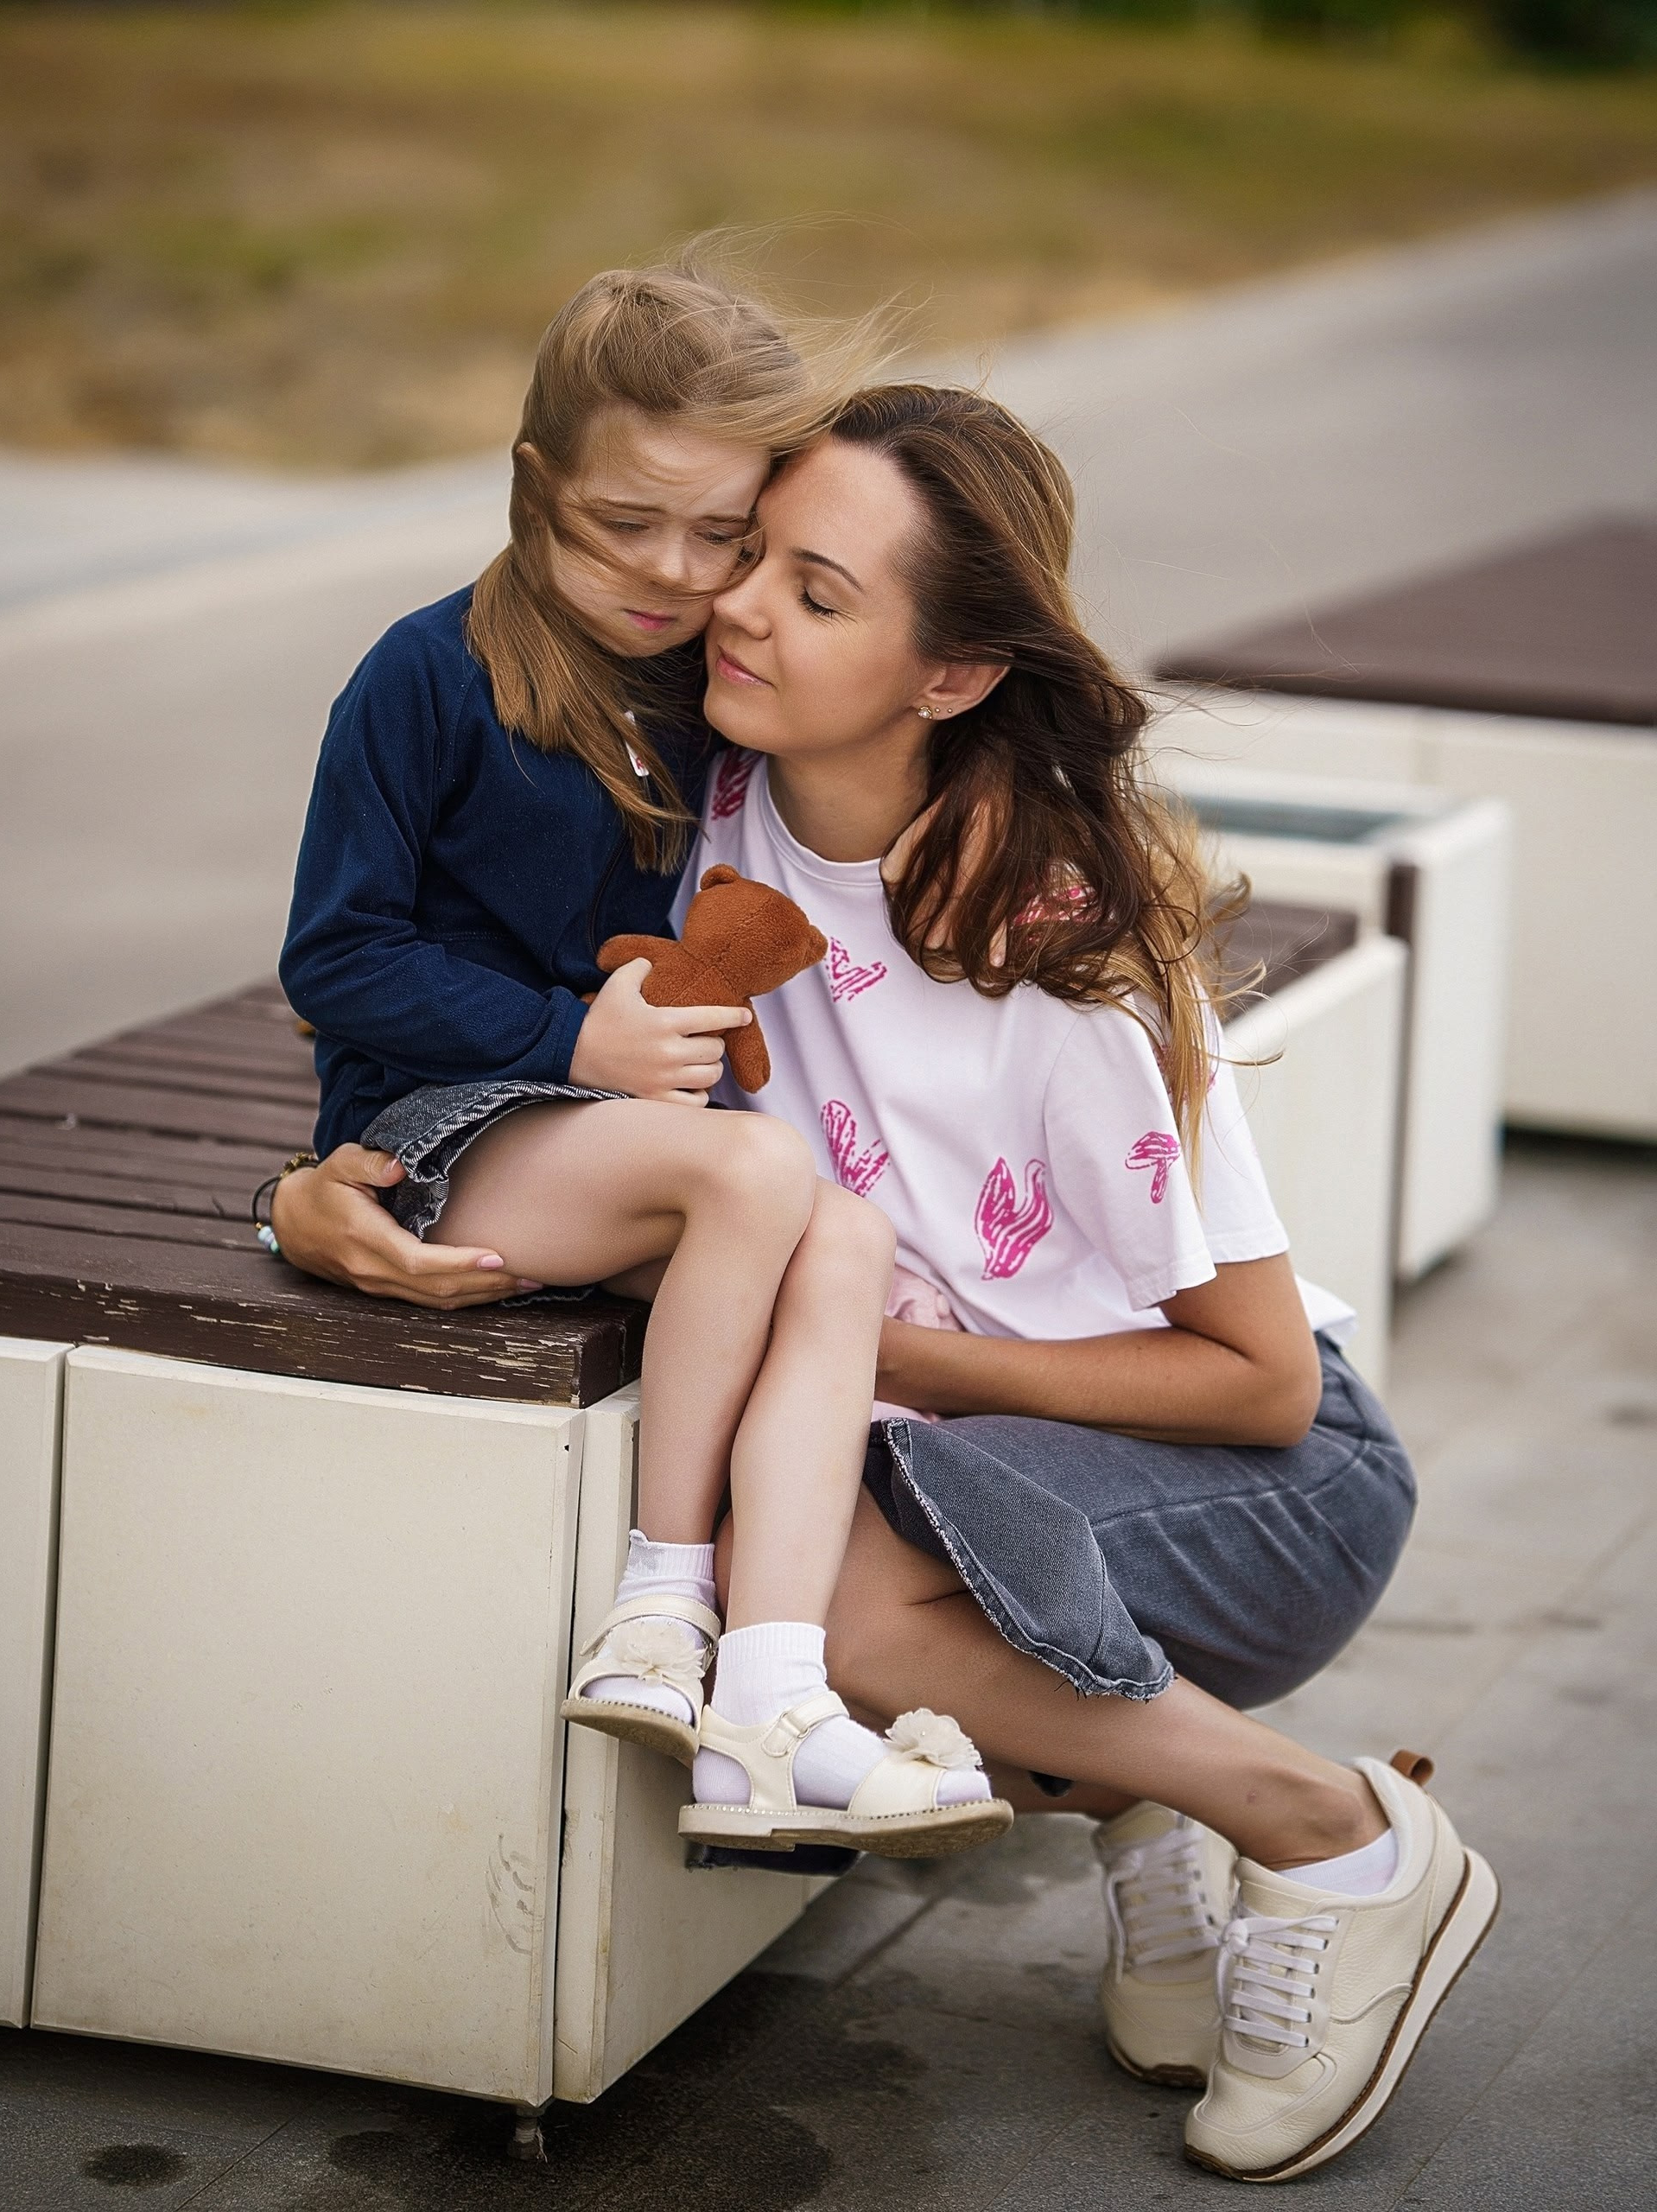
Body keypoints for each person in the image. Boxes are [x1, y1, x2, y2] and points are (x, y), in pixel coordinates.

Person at [271, 382, 1498, 2183]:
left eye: (817, 592)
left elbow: (1262, 1383)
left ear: (948, 673)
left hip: (1264, 1483)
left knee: (820, 1615)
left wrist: (876, 1351)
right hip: (944, 1443)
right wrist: (306, 1189)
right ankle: (1136, 1797)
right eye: (753, 556)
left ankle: (1333, 1831)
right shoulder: (705, 809)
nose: (741, 606)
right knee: (777, 1541)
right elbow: (441, 1009)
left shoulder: (1055, 951)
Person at [276, 264, 1006, 1859]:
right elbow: (333, 955)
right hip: (441, 1124)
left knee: (852, 1240)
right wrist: (564, 1036)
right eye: (626, 525)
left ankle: (772, 1691)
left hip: (626, 1145)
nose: (676, 576)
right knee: (756, 1166)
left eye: (724, 537)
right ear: (535, 481)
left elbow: (889, 722)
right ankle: (662, 1605)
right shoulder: (429, 677)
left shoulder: (702, 685)